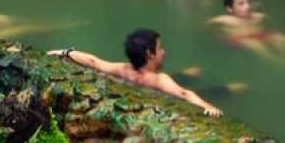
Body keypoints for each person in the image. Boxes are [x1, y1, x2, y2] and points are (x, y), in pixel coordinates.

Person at [48, 29, 224, 116]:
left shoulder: (124, 70)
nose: (164, 52)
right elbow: (184, 93)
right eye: (160, 48)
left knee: (191, 73)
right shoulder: (159, 80)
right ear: (149, 53)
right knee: (192, 79)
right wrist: (207, 106)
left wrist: (65, 52)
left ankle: (193, 72)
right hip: (155, 98)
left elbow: (93, 62)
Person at [206, 0, 285, 63]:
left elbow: (275, 23)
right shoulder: (223, 20)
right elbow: (207, 28)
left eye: (247, 2)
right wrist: (215, 38)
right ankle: (276, 62)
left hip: (260, 36)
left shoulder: (259, 16)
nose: (247, 6)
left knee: (281, 38)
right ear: (230, 9)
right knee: (254, 44)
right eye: (241, 4)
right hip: (240, 38)